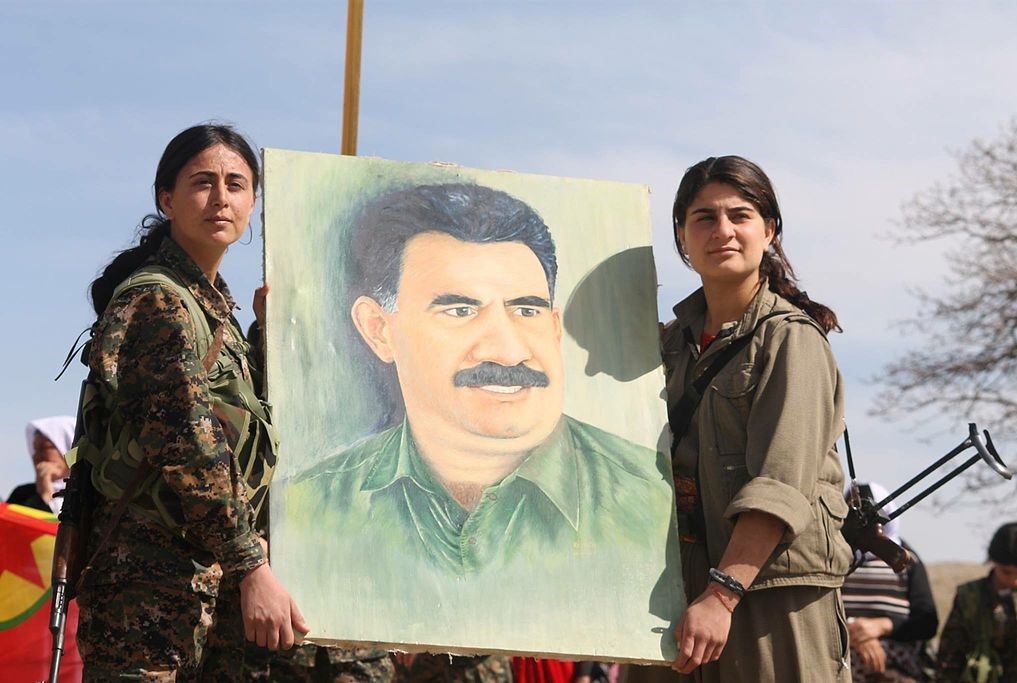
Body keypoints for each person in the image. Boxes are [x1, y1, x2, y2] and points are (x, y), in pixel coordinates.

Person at [286, 183, 670, 576]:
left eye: (526, 311)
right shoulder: (307, 508)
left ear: (555, 328)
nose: (507, 351)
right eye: (460, 311)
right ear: (379, 330)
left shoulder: (652, 499)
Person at [73, 123, 307, 681]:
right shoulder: (158, 299)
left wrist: (264, 336)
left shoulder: (214, 312)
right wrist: (251, 566)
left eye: (236, 184)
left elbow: (242, 428)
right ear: (167, 199)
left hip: (202, 584)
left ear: (253, 203)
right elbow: (188, 445)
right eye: (203, 182)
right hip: (146, 591)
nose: (221, 198)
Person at [662, 155, 853, 682]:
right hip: (679, 597)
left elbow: (781, 483)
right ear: (681, 236)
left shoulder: (790, 339)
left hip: (771, 597)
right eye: (704, 217)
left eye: (740, 215)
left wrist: (722, 595)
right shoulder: (666, 347)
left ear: (768, 231)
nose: (722, 230)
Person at [842, 482, 938, 682]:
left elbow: (927, 622)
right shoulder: (836, 559)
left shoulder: (905, 559)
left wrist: (882, 626)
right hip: (843, 656)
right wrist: (857, 635)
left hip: (898, 663)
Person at [936, 522, 1017, 682]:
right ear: (994, 562)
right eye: (1006, 572)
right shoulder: (969, 597)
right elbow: (950, 656)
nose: (1014, 580)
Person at [7, 415, 75, 514]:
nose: (36, 456)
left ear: (68, 447)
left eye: (45, 447)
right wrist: (43, 496)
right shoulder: (22, 495)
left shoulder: (87, 495)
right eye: (35, 448)